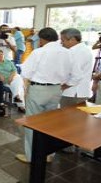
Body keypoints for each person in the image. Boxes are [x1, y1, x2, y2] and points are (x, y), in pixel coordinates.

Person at [16, 27, 72, 163]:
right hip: (56, 90)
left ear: (41, 39)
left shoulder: (39, 52)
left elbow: (26, 73)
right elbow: (71, 74)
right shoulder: (67, 52)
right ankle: (48, 154)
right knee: (50, 124)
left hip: (39, 90)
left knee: (32, 123)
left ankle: (31, 157)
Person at [60, 28, 93, 107]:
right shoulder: (82, 49)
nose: (61, 43)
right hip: (76, 92)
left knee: (66, 118)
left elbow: (77, 75)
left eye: (63, 40)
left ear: (72, 39)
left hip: (74, 93)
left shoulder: (77, 52)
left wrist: (63, 86)